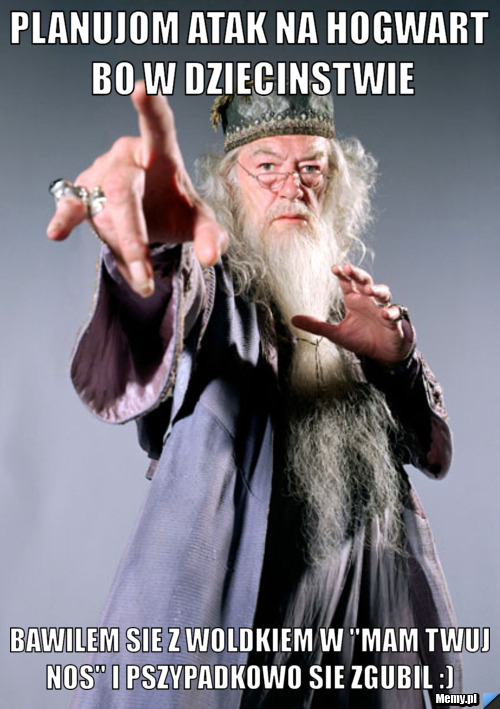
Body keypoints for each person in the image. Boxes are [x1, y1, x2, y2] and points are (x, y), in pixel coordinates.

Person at [47, 82, 461, 708]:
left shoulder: (359, 314)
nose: (292, 186)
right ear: (231, 187)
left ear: (336, 185)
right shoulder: (221, 301)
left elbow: (435, 456)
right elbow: (170, 312)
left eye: (311, 169)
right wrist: (153, 256)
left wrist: (397, 362)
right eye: (266, 167)